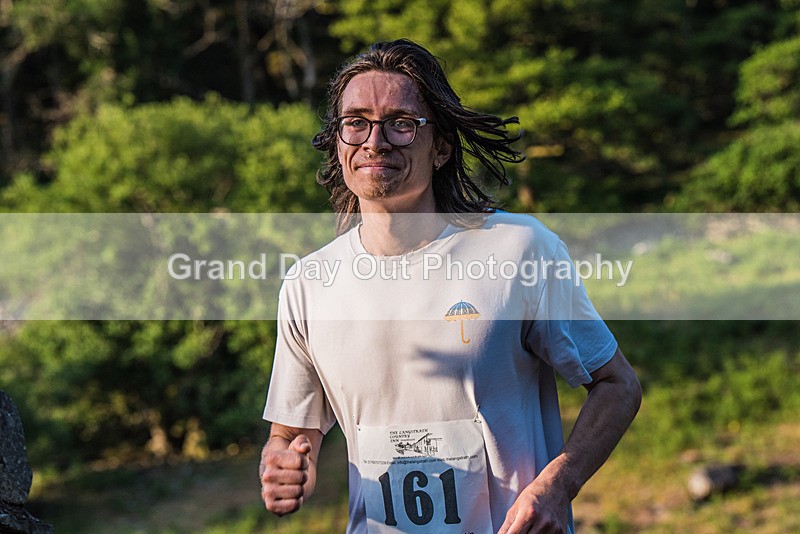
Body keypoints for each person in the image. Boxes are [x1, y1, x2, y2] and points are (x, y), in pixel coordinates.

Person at [259, 39, 642, 534]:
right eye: (355, 122)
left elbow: (618, 386)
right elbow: (291, 433)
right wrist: (284, 467)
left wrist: (557, 485)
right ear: (338, 140)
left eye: (401, 123)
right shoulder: (310, 284)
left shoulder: (518, 250)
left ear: (440, 146)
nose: (375, 142)